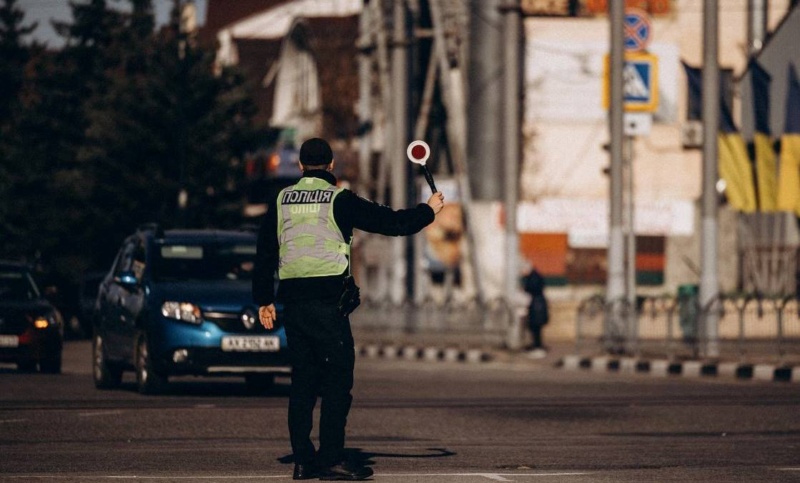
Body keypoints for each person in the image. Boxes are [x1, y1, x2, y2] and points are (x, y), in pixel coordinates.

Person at [253, 137, 444, 481]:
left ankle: (302, 460)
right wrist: (428, 210)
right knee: (337, 383)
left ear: (299, 167)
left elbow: (265, 251)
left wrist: (263, 299)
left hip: (294, 305)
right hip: (328, 306)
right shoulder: (339, 199)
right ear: (330, 167)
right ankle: (330, 459)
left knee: (302, 384)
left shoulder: (281, 200)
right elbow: (392, 223)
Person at [522, 267, 549, 359]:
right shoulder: (536, 277)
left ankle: (537, 345)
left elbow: (529, 288)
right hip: (537, 306)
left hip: (537, 307)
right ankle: (536, 344)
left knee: (536, 328)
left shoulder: (533, 278)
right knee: (535, 329)